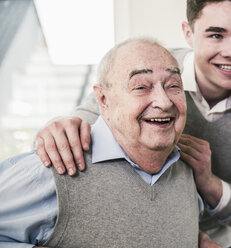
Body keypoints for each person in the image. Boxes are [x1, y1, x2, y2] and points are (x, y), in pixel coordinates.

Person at [35, 0, 231, 247]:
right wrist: (61, 124)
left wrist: (208, 182)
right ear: (188, 33)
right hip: (138, 229)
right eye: (216, 35)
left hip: (220, 240)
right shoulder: (149, 67)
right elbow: (87, 119)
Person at [0, 38, 207, 248]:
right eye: (141, 87)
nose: (164, 102)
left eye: (173, 85)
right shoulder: (51, 173)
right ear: (103, 100)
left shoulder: (186, 173)